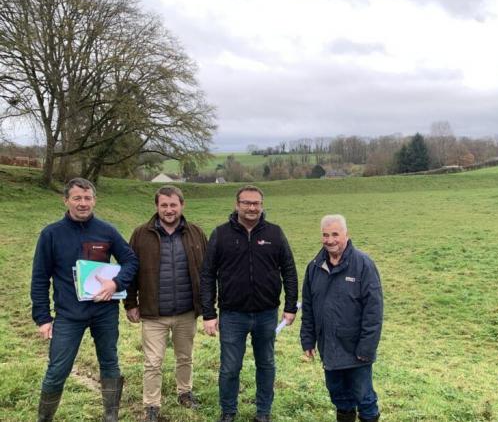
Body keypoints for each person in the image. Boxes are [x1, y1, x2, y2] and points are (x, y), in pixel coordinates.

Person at [31, 177, 139, 422]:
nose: (83, 203)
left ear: (94, 200)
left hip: (105, 312)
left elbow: (131, 261)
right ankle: (44, 418)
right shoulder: (51, 234)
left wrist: (116, 283)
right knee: (57, 369)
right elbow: (39, 278)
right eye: (77, 198)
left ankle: (110, 416)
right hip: (69, 314)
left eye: (87, 198)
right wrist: (43, 317)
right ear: (66, 200)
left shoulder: (107, 231)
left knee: (110, 362)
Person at [200, 185, 298, 422]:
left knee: (266, 364)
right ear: (237, 205)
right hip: (232, 314)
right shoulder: (221, 234)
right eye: (247, 203)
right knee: (230, 367)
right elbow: (207, 274)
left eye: (256, 203)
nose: (252, 207)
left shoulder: (275, 233)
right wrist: (208, 313)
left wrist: (290, 306)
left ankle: (263, 412)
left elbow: (289, 270)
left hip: (266, 313)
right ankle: (228, 411)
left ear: (261, 206)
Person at [124, 186, 208, 421]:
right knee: (152, 362)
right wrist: (131, 303)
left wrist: (208, 306)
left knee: (185, 357)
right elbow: (129, 271)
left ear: (182, 205)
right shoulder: (141, 234)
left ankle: (185, 392)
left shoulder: (196, 233)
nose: (169, 210)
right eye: (164, 205)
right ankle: (151, 404)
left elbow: (208, 272)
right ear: (157, 207)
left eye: (173, 205)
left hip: (186, 311)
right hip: (153, 313)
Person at [300, 215, 383, 422]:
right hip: (328, 346)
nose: (330, 240)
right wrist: (308, 340)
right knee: (339, 396)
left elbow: (373, 312)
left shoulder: (363, 265)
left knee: (364, 397)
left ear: (346, 234)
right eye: (325, 235)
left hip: (356, 349)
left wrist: (367, 348)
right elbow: (308, 308)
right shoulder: (314, 267)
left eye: (335, 234)